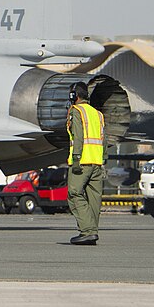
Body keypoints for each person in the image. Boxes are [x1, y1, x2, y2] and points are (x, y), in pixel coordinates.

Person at [65, 81, 106, 246]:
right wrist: (103, 160)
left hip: (82, 162)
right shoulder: (98, 114)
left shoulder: (77, 112)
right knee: (94, 198)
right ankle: (92, 231)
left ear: (74, 96)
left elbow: (79, 137)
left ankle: (87, 231)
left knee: (74, 194)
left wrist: (76, 159)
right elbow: (104, 138)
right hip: (97, 162)